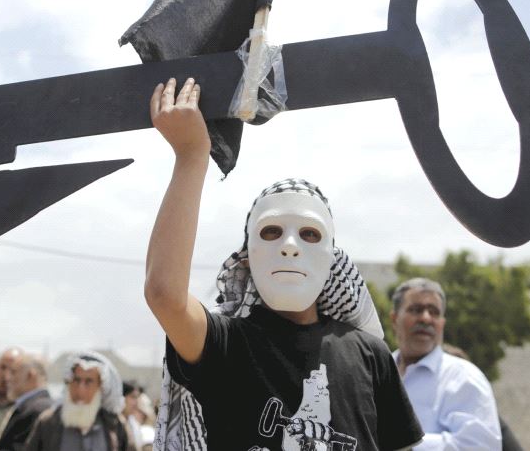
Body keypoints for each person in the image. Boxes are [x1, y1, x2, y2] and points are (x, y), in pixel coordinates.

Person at [145, 77, 423, 450]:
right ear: (248, 254)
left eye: (309, 234)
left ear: (330, 255)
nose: (290, 246)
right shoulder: (227, 345)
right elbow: (165, 294)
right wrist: (192, 155)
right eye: (271, 232)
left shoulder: (369, 355)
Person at [390, 277, 502, 450]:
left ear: (442, 323)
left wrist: (403, 443)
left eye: (434, 312)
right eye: (416, 309)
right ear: (394, 319)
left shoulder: (464, 377)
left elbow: (481, 447)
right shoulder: (372, 373)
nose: (426, 318)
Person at [24, 350, 127, 451]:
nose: (80, 389)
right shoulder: (48, 422)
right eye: (76, 380)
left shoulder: (114, 424)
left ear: (101, 387)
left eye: (88, 382)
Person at [0, 353, 53, 451]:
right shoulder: (42, 406)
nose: (8, 378)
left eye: (13, 372)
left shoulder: (34, 410)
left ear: (31, 375)